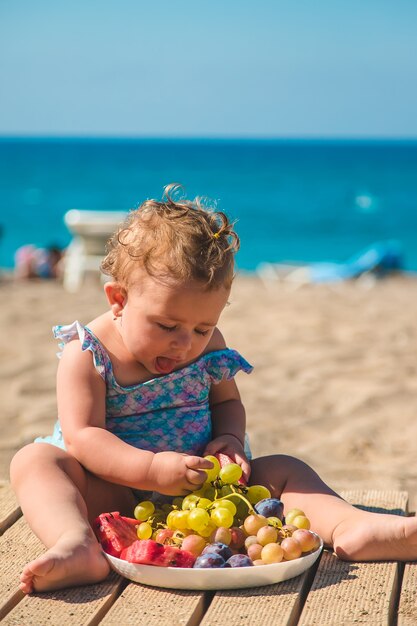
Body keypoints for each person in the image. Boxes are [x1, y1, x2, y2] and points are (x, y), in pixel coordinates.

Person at [10, 184, 417, 594]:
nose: (185, 344)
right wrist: (150, 470)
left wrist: (228, 438)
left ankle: (352, 526)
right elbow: (83, 437)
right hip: (115, 496)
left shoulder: (211, 347)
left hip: (207, 496)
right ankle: (76, 543)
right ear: (118, 299)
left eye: (202, 328)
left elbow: (228, 402)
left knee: (285, 470)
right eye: (167, 326)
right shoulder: (89, 353)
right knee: (35, 462)